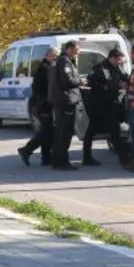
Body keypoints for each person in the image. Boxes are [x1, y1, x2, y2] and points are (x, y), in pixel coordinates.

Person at [84, 48, 131, 166]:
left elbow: (124, 76)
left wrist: (130, 81)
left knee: (114, 132)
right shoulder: (100, 68)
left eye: (120, 61)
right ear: (112, 58)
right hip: (99, 105)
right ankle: (87, 157)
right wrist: (110, 85)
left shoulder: (116, 67)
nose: (119, 63)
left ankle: (124, 159)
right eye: (118, 60)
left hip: (111, 105)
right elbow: (91, 82)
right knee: (92, 132)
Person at [18, 47, 58, 166]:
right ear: (49, 55)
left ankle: (45, 157)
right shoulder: (45, 69)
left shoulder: (45, 67)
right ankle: (26, 150)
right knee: (47, 130)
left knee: (48, 130)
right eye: (55, 56)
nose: (56, 59)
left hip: (44, 103)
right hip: (43, 104)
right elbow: (47, 88)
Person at [49, 40, 85, 171]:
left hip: (63, 100)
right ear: (69, 49)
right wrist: (80, 81)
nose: (77, 52)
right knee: (65, 132)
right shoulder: (64, 61)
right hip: (65, 101)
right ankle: (62, 162)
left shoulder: (60, 61)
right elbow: (67, 80)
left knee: (61, 132)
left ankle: (57, 161)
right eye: (76, 49)